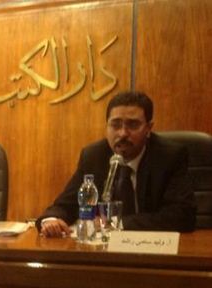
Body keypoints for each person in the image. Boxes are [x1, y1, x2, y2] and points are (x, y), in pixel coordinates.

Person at [37, 91, 196, 236]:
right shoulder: (93, 156)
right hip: (106, 251)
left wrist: (115, 223)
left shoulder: (169, 156)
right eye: (115, 124)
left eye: (133, 125)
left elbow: (182, 216)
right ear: (106, 126)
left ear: (148, 128)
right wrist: (51, 220)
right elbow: (67, 204)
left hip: (155, 249)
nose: (123, 133)